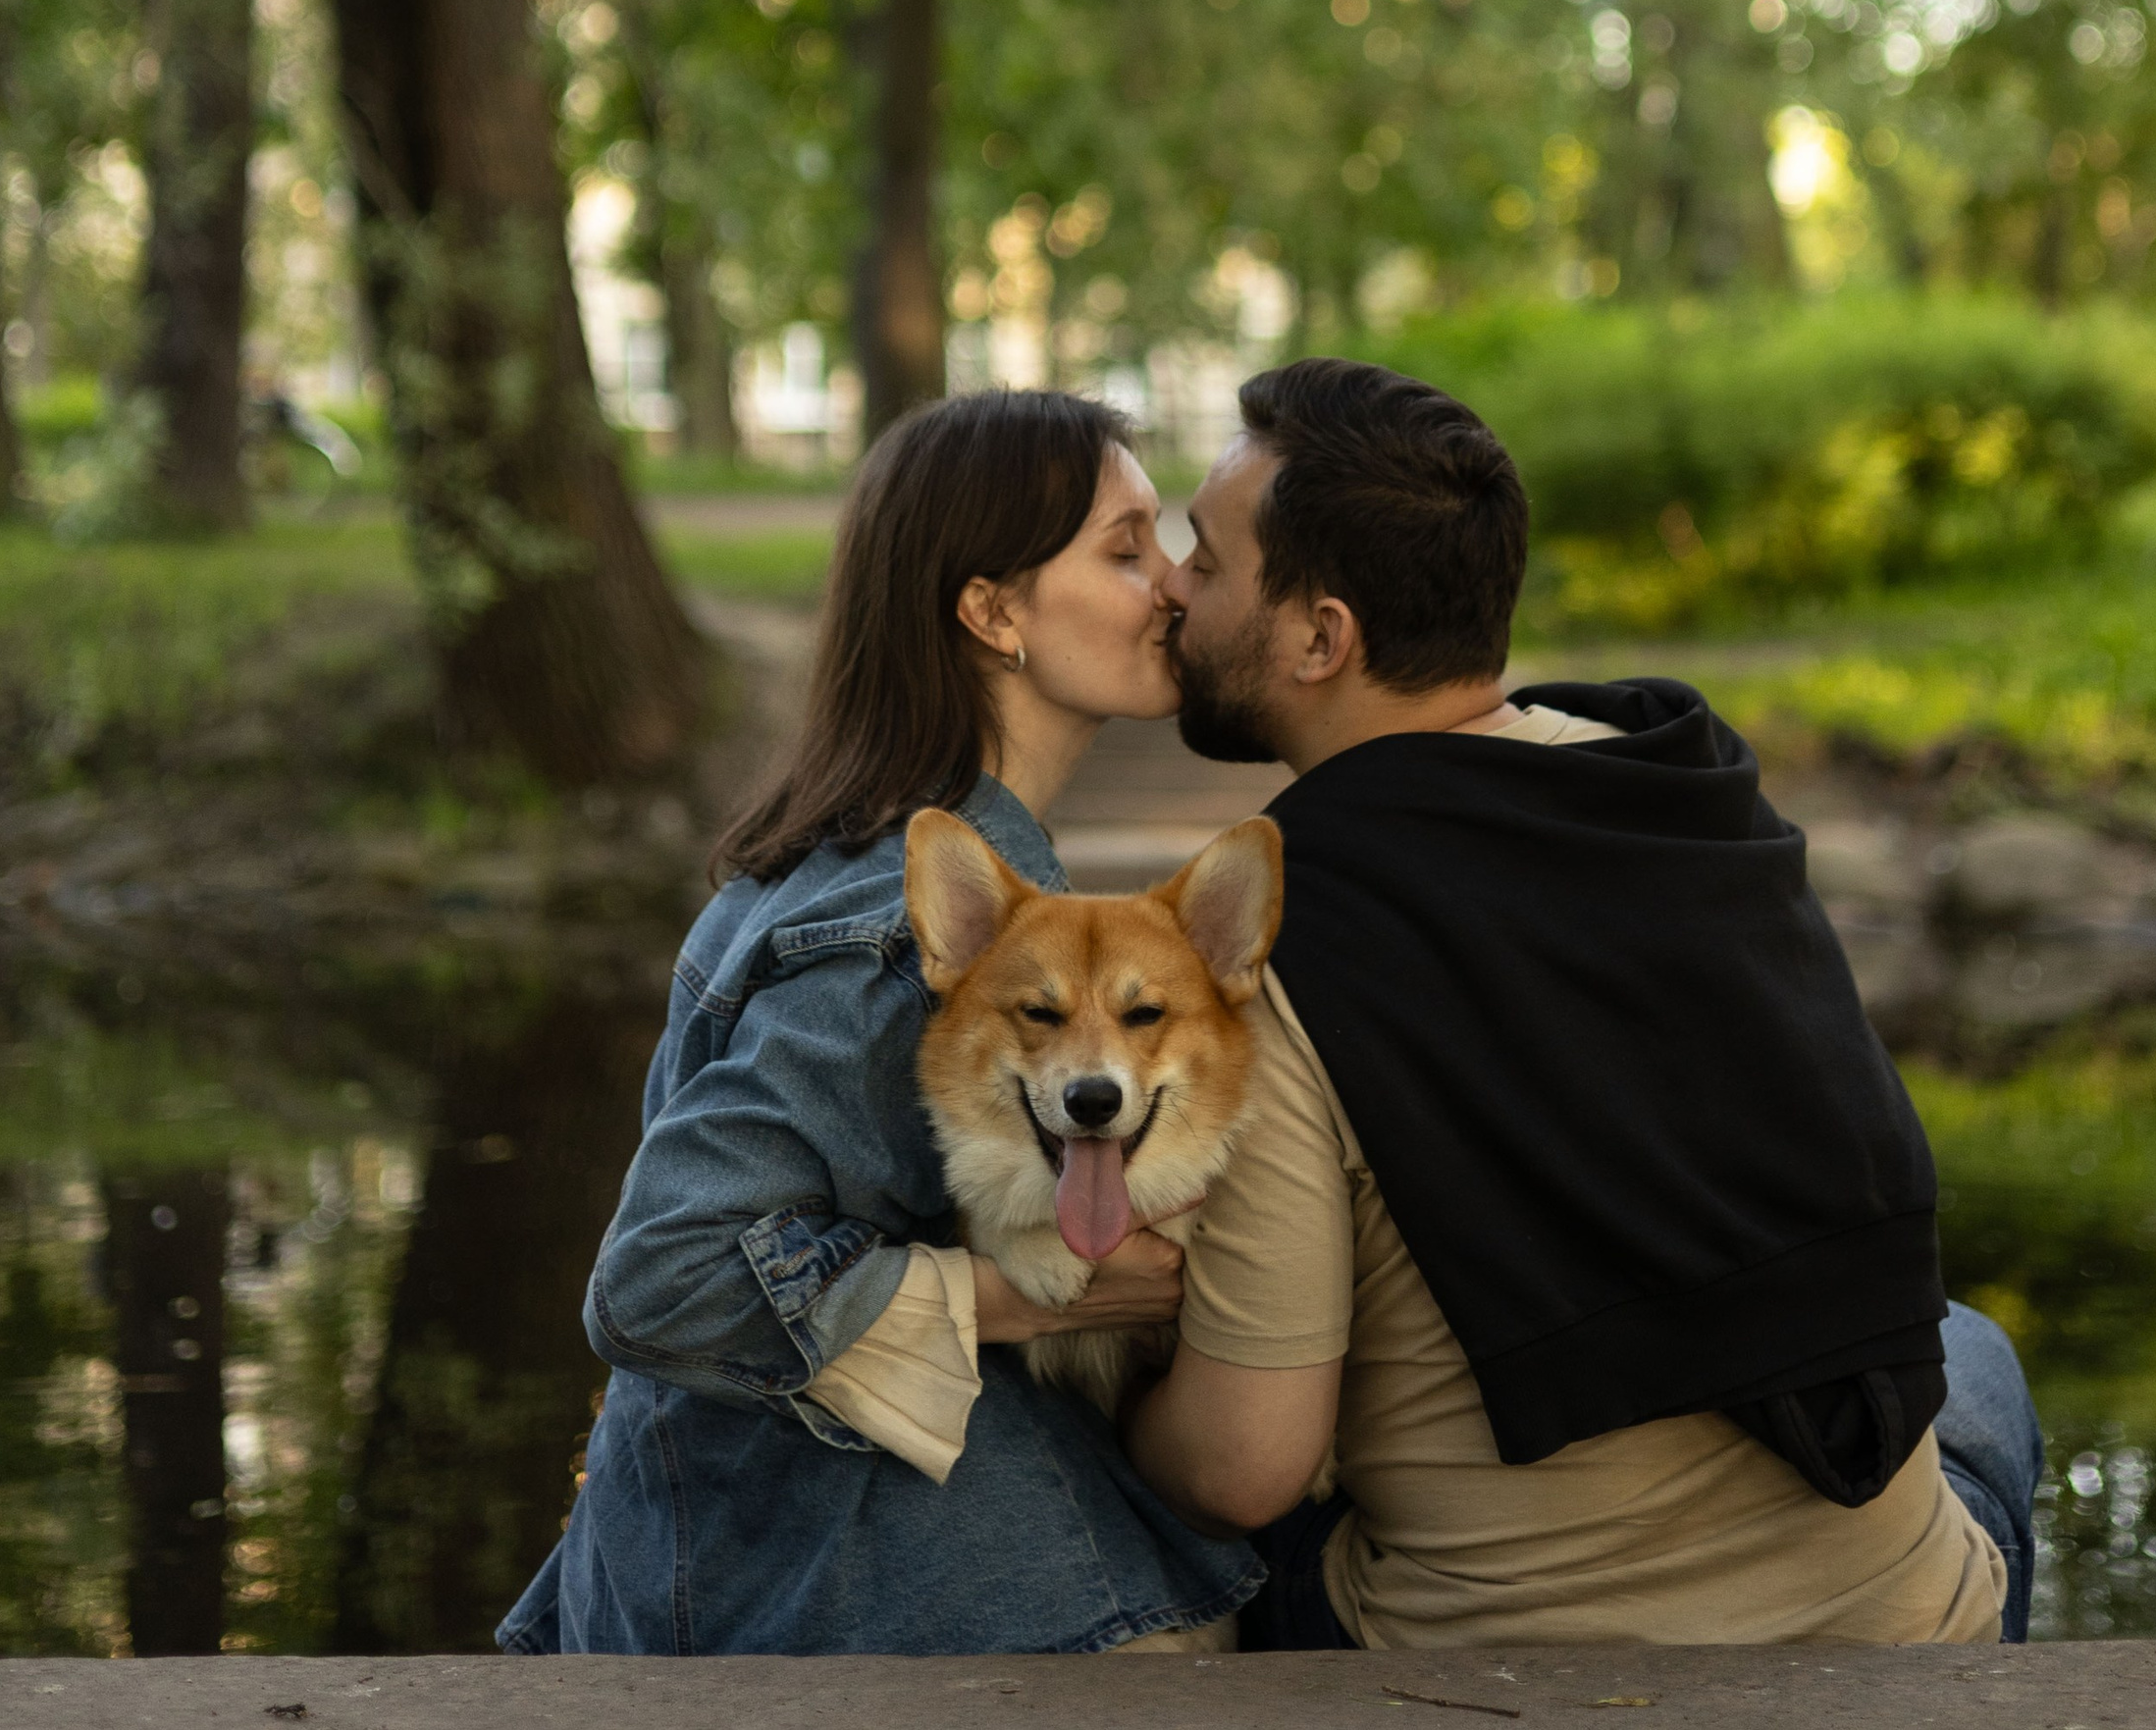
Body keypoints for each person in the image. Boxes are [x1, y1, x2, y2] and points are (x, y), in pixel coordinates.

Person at [1126, 355, 2043, 1652]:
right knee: (1977, 1361)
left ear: (1321, 637)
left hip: (1509, 1660)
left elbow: (1243, 1469)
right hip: (1920, 1626)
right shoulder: (1686, 796)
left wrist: (1115, 1410)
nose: (1169, 583)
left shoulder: (1272, 946)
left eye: (1205, 562)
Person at [498, 389, 1258, 1657]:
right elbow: (658, 1282)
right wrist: (1036, 1295)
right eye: (1126, 551)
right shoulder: (891, 930)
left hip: (717, 1542)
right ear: (993, 611)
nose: (1174, 584)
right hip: (790, 1579)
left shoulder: (885, 857)